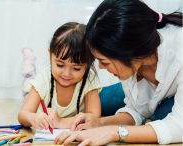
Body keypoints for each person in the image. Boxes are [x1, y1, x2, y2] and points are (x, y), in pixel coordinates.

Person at [55, 0, 183, 145]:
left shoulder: (179, 50)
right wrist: (99, 123)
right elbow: (137, 110)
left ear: (129, 53)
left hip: (172, 101)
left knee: (162, 113)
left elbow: (179, 126)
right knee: (97, 101)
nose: (102, 68)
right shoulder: (135, 61)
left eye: (104, 61)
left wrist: (114, 133)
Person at [18, 22, 102, 129]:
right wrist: (33, 118)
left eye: (76, 68)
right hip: (40, 87)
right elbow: (23, 115)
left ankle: (29, 63)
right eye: (60, 65)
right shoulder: (44, 78)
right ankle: (28, 62)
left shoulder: (89, 79)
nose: (67, 74)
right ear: (50, 55)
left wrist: (61, 122)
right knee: (27, 84)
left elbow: (94, 118)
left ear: (89, 64)